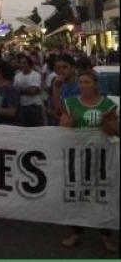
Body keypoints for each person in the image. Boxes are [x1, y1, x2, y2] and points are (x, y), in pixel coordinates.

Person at [59, 69, 118, 253]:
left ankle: (105, 236)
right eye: (81, 82)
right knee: (79, 194)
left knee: (102, 194)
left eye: (87, 82)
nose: (83, 86)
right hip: (78, 157)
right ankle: (76, 233)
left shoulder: (108, 105)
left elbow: (113, 132)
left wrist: (105, 122)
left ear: (95, 85)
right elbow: (64, 130)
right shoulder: (70, 103)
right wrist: (69, 123)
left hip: (102, 158)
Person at [13, 54, 44, 127]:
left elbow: (33, 91)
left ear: (29, 64)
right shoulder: (17, 76)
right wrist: (27, 89)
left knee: (36, 128)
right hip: (22, 106)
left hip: (34, 106)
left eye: (24, 63)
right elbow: (14, 91)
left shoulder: (36, 75)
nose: (22, 65)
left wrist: (20, 89)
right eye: (21, 63)